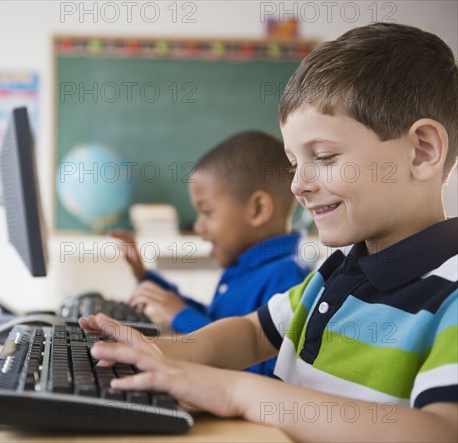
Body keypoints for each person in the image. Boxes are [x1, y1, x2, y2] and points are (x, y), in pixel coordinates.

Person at [81, 22, 458, 442]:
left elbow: (440, 431)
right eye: (295, 164)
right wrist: (160, 352)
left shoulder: (450, 296)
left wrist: (239, 391)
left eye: (325, 156)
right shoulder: (334, 274)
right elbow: (252, 331)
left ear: (422, 151)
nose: (298, 184)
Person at [112, 130, 310, 376]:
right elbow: (213, 321)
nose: (197, 227)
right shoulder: (244, 267)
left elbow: (267, 371)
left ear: (258, 210)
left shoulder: (288, 277)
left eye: (206, 212)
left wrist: (180, 314)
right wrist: (146, 277)